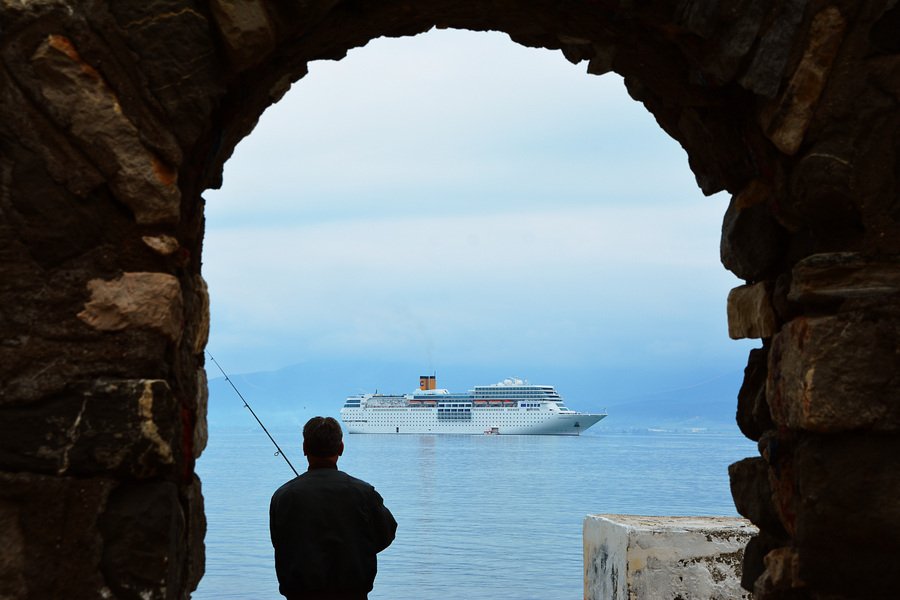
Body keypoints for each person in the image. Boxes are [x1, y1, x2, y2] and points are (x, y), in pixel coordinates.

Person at [270, 416, 397, 600]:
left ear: (304, 448)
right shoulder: (364, 493)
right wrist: (356, 549)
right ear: (341, 448)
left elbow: (280, 543)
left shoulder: (283, 496)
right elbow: (386, 534)